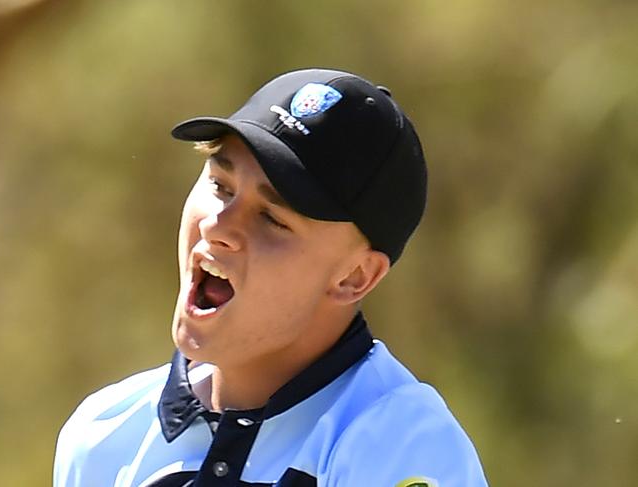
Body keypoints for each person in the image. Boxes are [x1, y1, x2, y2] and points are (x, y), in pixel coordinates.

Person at [53, 68, 489, 487]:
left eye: (271, 218)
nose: (217, 227)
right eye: (221, 186)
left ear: (355, 276)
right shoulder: (102, 435)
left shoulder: (399, 444)